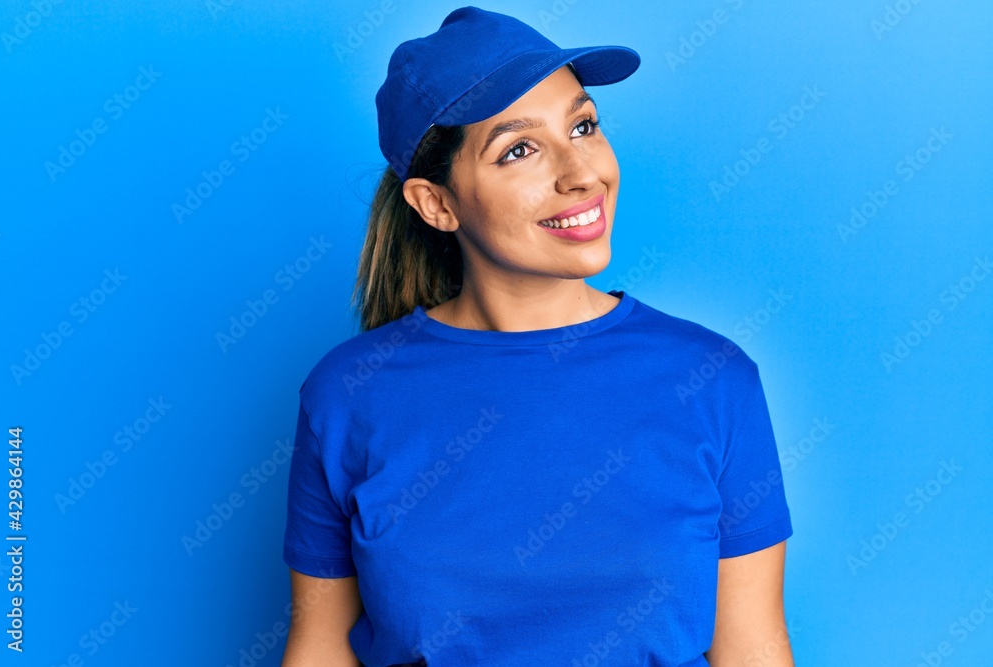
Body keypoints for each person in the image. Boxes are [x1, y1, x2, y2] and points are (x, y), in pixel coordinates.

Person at [281, 6, 794, 666]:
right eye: (519, 149)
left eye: (583, 125)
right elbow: (319, 649)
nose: (581, 173)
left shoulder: (713, 380)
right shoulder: (346, 395)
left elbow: (753, 648)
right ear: (435, 203)